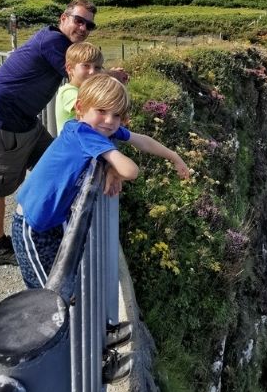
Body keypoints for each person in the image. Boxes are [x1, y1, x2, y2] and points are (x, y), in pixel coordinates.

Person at [11, 73, 190, 290]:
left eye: (116, 115)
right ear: (80, 108)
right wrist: (115, 168)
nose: (109, 121)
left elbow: (141, 140)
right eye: (101, 111)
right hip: (34, 224)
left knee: (61, 281)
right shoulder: (83, 132)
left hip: (54, 219)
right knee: (46, 295)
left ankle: (67, 318)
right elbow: (131, 170)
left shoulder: (95, 131)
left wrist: (174, 157)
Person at [0, 0, 98, 265]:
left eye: (89, 25)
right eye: (78, 20)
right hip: (3, 122)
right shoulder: (55, 43)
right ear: (63, 18)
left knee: (55, 164)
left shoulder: (58, 43)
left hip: (27, 122)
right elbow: (82, 79)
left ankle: (47, 223)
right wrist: (111, 79)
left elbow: (86, 72)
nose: (83, 27)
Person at [55, 43, 104, 130]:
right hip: (73, 143)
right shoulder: (68, 91)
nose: (92, 71)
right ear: (70, 69)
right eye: (86, 66)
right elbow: (89, 109)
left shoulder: (88, 91)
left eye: (97, 67)